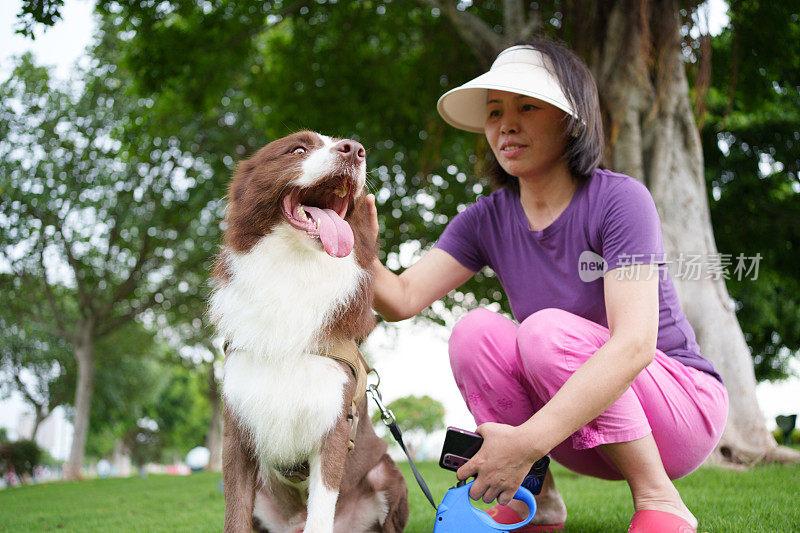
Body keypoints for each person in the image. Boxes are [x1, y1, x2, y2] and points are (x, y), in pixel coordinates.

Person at [366, 41, 728, 533]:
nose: (505, 125)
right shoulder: (485, 219)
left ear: (570, 118)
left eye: (527, 107)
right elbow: (402, 299)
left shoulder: (621, 200)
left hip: (678, 414)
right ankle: (532, 497)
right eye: (494, 112)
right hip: (577, 427)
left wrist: (525, 441)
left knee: (544, 332)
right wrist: (347, 243)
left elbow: (636, 344)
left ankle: (659, 499)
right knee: (473, 332)